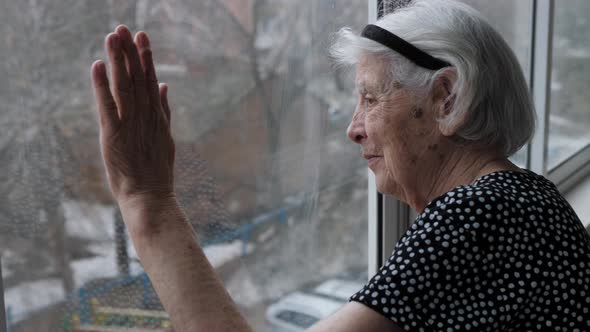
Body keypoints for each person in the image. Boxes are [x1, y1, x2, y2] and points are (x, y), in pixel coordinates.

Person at [89, 0, 590, 331]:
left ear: (446, 99)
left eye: (369, 98)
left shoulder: (479, 217)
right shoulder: (529, 196)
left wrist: (147, 200)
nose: (353, 128)